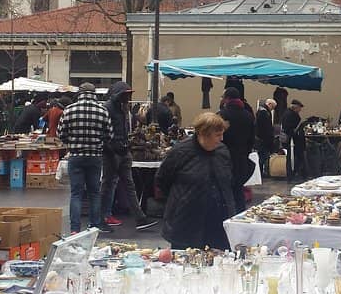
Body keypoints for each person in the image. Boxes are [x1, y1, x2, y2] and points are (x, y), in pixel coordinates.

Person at [156, 112, 236, 250]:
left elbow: (229, 181)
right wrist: (181, 200)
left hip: (218, 221)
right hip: (186, 220)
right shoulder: (181, 152)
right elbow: (162, 179)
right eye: (217, 135)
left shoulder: (222, 151)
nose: (221, 139)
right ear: (204, 133)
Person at [100, 81, 158, 232]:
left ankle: (139, 218)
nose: (128, 97)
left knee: (122, 185)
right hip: (114, 152)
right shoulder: (109, 108)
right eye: (126, 94)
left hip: (122, 151)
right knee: (109, 185)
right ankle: (101, 218)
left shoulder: (121, 108)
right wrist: (112, 149)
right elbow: (104, 133)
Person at [58, 82, 111, 233]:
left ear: (79, 93)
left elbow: (61, 134)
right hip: (95, 157)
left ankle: (75, 228)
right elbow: (109, 135)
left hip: (76, 156)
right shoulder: (102, 110)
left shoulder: (69, 110)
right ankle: (94, 226)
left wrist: (72, 142)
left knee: (76, 193)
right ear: (94, 93)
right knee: (94, 192)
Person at [218, 87, 256, 213]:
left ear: (227, 99)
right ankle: (239, 215)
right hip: (241, 159)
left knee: (224, 191)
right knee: (238, 190)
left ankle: (225, 215)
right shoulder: (248, 115)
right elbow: (252, 139)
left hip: (224, 159)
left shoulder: (222, 115)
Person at [281, 99, 305, 182]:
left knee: (293, 158)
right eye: (299, 108)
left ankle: (294, 174)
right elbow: (289, 128)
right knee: (292, 158)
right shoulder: (290, 115)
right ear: (295, 107)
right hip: (292, 141)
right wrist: (295, 132)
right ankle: (292, 175)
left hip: (293, 140)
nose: (300, 110)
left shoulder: (288, 113)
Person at [254, 98, 277, 177]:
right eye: (273, 107)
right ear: (269, 104)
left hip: (260, 138)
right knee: (263, 156)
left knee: (262, 156)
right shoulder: (264, 113)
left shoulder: (261, 111)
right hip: (264, 139)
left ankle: (261, 172)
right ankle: (262, 173)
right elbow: (267, 128)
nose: (272, 109)